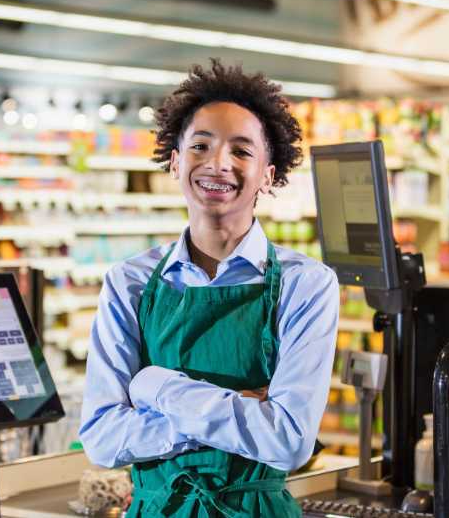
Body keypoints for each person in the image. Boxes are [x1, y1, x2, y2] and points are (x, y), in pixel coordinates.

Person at [79, 59, 339, 517]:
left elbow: (288, 442)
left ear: (269, 174)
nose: (218, 163)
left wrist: (156, 386)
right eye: (201, 145)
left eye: (242, 151)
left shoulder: (306, 285)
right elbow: (101, 439)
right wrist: (241, 410)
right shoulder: (130, 283)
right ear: (176, 161)